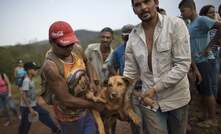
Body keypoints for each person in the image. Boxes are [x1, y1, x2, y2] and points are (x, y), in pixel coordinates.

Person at [124, 0, 191, 134]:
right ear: (133, 9)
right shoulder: (133, 36)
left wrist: (155, 89)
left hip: (176, 98)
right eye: (137, 5)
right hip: (149, 102)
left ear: (156, 2)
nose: (143, 8)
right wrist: (124, 99)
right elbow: (130, 72)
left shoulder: (176, 25)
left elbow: (182, 65)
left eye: (146, 2)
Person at [40, 21, 103, 134]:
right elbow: (66, 100)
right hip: (69, 117)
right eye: (64, 45)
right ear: (51, 42)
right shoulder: (51, 66)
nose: (69, 48)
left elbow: (87, 62)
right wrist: (94, 105)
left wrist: (93, 82)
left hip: (85, 106)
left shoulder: (76, 49)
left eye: (71, 43)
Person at [179, 0, 221, 127]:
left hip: (205, 60)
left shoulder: (202, 20)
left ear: (191, 9)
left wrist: (209, 46)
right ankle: (204, 115)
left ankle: (212, 119)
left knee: (208, 91)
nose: (182, 13)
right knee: (202, 90)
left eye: (183, 10)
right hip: (197, 63)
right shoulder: (191, 24)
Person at [111, 24, 143, 134]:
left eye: (131, 36)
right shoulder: (117, 52)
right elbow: (114, 68)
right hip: (131, 89)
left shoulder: (143, 47)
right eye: (126, 37)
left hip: (146, 86)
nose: (129, 39)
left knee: (150, 117)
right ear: (122, 37)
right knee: (136, 118)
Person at [18, 62, 60, 134]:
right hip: (26, 108)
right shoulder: (26, 81)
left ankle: (55, 129)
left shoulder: (31, 80)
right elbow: (24, 95)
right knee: (25, 126)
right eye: (35, 69)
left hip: (34, 104)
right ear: (29, 70)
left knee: (44, 114)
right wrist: (30, 109)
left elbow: (31, 93)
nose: (36, 71)